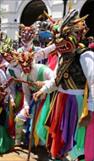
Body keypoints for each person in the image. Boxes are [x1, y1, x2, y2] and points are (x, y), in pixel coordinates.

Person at [33, 10, 94, 160]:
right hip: (60, 101)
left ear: (77, 34)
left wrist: (90, 113)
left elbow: (93, 83)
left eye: (65, 36)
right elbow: (56, 80)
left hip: (77, 104)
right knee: (59, 141)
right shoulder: (63, 57)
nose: (59, 41)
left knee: (75, 143)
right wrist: (44, 90)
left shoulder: (85, 55)